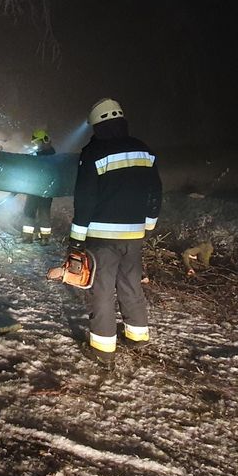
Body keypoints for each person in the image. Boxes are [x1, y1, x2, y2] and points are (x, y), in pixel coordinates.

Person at [68, 98, 162, 369]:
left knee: (102, 289)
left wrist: (76, 237)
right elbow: (155, 190)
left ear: (97, 126)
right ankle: (137, 336)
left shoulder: (93, 152)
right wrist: (148, 225)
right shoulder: (143, 150)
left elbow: (84, 198)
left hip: (102, 237)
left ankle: (102, 348)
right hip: (134, 236)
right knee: (131, 284)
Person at [21, 128, 56, 243]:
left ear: (44, 140)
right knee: (43, 212)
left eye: (37, 142)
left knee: (32, 211)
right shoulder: (54, 155)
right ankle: (44, 238)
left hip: (36, 188)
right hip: (46, 190)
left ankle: (28, 237)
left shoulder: (38, 156)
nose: (36, 145)